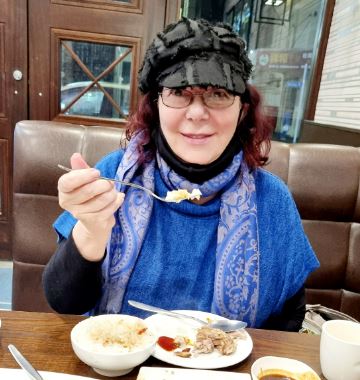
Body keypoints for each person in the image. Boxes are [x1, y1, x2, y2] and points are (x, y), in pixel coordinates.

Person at [43, 18, 319, 331]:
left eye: (218, 94)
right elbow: (64, 303)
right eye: (178, 92)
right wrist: (92, 229)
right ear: (156, 105)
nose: (197, 112)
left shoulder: (273, 200)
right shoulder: (114, 177)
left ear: (242, 110)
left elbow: (290, 316)